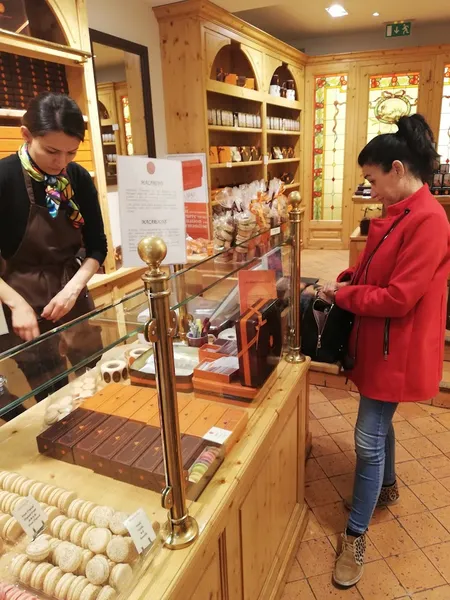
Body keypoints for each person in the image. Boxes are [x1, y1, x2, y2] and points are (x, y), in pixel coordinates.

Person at [319, 114, 450, 588]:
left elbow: (400, 296)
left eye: (372, 179)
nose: (369, 189)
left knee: (367, 438)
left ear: (397, 168)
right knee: (379, 423)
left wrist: (343, 296)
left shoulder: (429, 220)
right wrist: (354, 278)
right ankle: (386, 488)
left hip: (400, 346)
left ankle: (355, 535)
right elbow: (382, 268)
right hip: (384, 341)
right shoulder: (406, 212)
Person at [0, 92, 107, 411]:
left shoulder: (77, 177)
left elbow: (97, 246)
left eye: (71, 152)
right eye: (51, 151)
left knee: (96, 374)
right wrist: (15, 303)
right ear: (26, 135)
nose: (61, 162)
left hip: (71, 289)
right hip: (24, 297)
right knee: (51, 386)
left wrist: (73, 289)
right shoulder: (3, 178)